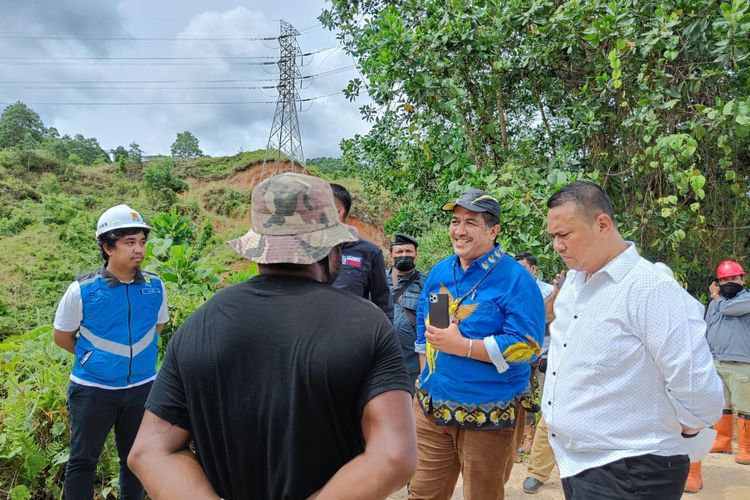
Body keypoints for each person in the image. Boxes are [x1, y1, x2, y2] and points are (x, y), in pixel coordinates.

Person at [128, 173, 417, 499]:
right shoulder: (368, 324)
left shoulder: (199, 325)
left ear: (258, 245)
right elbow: (394, 455)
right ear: (331, 245)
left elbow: (149, 452)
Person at [544, 180, 724, 500]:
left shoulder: (650, 289)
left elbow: (701, 394)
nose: (557, 246)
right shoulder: (574, 284)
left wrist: (684, 426)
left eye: (565, 235)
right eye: (553, 237)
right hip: (582, 464)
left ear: (602, 224)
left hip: (632, 469)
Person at [410, 188, 546, 500]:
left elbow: (527, 346)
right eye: (455, 221)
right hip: (433, 408)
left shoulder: (516, 279)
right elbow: (433, 328)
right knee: (421, 493)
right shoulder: (443, 271)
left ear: (493, 229)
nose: (458, 230)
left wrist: (465, 347)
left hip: (489, 412)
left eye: (470, 222)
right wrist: (426, 377)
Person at [52, 204, 168, 500]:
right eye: (129, 242)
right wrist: (95, 361)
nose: (138, 249)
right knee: (83, 460)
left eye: (142, 241)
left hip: (142, 388)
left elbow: (159, 325)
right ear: (107, 247)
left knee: (136, 459)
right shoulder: (82, 290)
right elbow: (62, 336)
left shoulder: (156, 286)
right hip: (93, 390)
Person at [522, 272, 564, 495]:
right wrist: (558, 291)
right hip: (562, 364)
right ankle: (536, 472)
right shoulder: (571, 286)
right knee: (550, 418)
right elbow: (545, 316)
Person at [706, 259, 750, 466]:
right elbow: (707, 325)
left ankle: (746, 449)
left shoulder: (746, 299)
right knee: (722, 404)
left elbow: (728, 310)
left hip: (741, 363)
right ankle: (723, 441)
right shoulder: (716, 303)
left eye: (733, 278)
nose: (729, 282)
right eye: (724, 279)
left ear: (743, 278)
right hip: (716, 361)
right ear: (719, 281)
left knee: (745, 406)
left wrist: (716, 294)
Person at [330, 183, 394, 322]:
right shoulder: (307, 249)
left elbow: (382, 301)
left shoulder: (369, 252)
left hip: (353, 336)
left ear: (338, 212)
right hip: (313, 338)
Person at [513, 252, 555, 458]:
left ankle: (544, 444)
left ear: (533, 269)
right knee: (524, 396)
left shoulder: (548, 291)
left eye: (522, 267)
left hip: (547, 353)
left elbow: (552, 320)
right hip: (521, 354)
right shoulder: (512, 289)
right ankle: (526, 437)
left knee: (549, 398)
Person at [387, 232, 427, 386]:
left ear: (416, 254)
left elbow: (440, 322)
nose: (404, 255)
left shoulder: (430, 283)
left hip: (414, 366)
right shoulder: (376, 280)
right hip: (380, 363)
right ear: (391, 255)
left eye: (409, 251)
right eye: (399, 252)